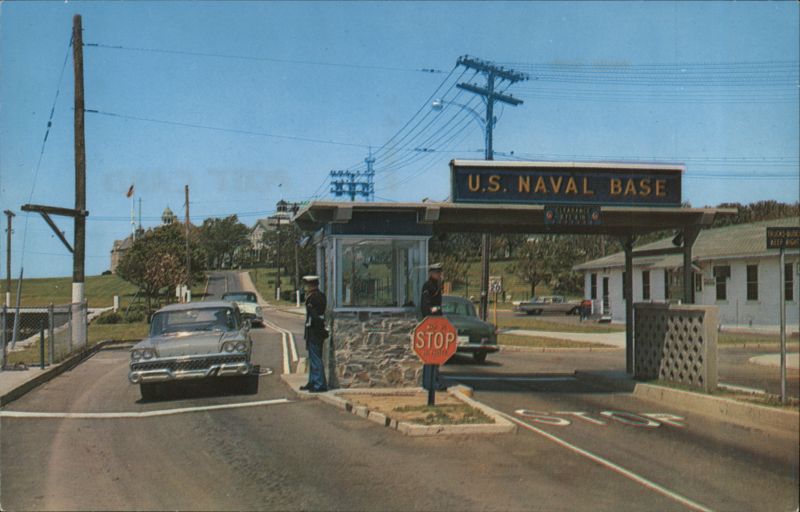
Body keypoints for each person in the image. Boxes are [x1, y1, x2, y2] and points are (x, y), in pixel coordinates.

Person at [420, 263, 446, 391]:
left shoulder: (437, 286)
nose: (439, 275)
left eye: (439, 273)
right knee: (428, 356)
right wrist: (433, 313)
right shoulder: (428, 286)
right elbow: (426, 306)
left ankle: (435, 380)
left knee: (436, 356)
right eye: (436, 273)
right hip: (430, 323)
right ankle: (429, 382)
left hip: (437, 323)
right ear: (431, 273)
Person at [300, 275, 328, 392]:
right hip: (316, 330)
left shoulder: (313, 298)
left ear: (312, 285)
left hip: (314, 331)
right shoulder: (321, 295)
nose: (306, 287)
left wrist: (316, 330)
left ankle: (319, 384)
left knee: (315, 358)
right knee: (312, 358)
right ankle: (312, 381)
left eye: (307, 285)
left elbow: (314, 317)